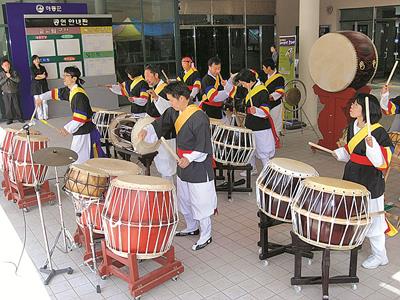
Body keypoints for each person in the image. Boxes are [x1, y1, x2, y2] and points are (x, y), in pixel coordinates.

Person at [138, 82, 217, 251]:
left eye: (171, 100)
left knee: (200, 201)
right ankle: (191, 227)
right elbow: (160, 125)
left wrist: (189, 158)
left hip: (198, 166)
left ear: (182, 98)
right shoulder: (173, 111)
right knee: (185, 199)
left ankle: (206, 234)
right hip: (182, 163)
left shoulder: (199, 117)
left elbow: (203, 146)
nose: (170, 103)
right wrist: (147, 130)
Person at [333, 93, 394, 269]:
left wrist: (373, 146)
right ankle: (355, 240)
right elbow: (352, 151)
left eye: (356, 104)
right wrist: (340, 153)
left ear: (366, 110)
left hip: (370, 178)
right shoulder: (353, 126)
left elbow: (383, 161)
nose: (351, 106)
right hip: (352, 174)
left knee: (373, 217)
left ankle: (380, 256)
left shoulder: (379, 131)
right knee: (354, 210)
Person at [35, 66, 104, 164]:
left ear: (74, 78)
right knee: (78, 156)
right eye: (64, 75)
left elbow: (80, 118)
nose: (64, 77)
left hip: (84, 131)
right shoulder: (71, 90)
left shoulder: (79, 95)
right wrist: (40, 98)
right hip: (81, 129)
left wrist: (67, 129)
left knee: (79, 158)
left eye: (66, 75)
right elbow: (56, 93)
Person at [235, 69, 279, 177]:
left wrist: (256, 111)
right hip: (251, 125)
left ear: (250, 81)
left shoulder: (262, 91)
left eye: (244, 83)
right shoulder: (250, 89)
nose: (243, 86)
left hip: (261, 127)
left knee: (263, 152)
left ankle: (268, 174)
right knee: (250, 149)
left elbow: (265, 111)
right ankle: (252, 168)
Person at [143, 64, 176, 181]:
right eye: (145, 76)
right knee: (160, 159)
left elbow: (171, 109)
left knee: (167, 161)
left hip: (166, 130)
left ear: (156, 75)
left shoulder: (166, 89)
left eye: (148, 76)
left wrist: (157, 98)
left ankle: (170, 191)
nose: (146, 79)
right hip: (156, 127)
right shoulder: (155, 89)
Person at [262, 58, 285, 135]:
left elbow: (279, 92)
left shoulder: (279, 78)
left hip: (276, 105)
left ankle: (276, 140)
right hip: (266, 104)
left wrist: (269, 97)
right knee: (266, 124)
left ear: (268, 68)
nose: (263, 69)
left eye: (264, 67)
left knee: (275, 124)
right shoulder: (264, 76)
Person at [0, 58, 23, 124]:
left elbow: (18, 80)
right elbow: (0, 83)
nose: (7, 66)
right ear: (2, 66)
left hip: (14, 92)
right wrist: (6, 77)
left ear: (10, 65)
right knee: (8, 107)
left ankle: (20, 118)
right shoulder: (1, 74)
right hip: (5, 93)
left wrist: (10, 77)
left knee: (17, 106)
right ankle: (9, 119)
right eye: (5, 65)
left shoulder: (14, 72)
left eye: (8, 64)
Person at [31, 55, 49, 120]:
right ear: (33, 61)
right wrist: (42, 76)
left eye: (38, 59)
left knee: (45, 102)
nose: (37, 60)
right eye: (35, 59)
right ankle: (40, 116)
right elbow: (34, 77)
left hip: (44, 86)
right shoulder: (32, 68)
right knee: (38, 102)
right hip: (36, 87)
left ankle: (46, 116)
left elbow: (46, 75)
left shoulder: (42, 67)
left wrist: (40, 76)